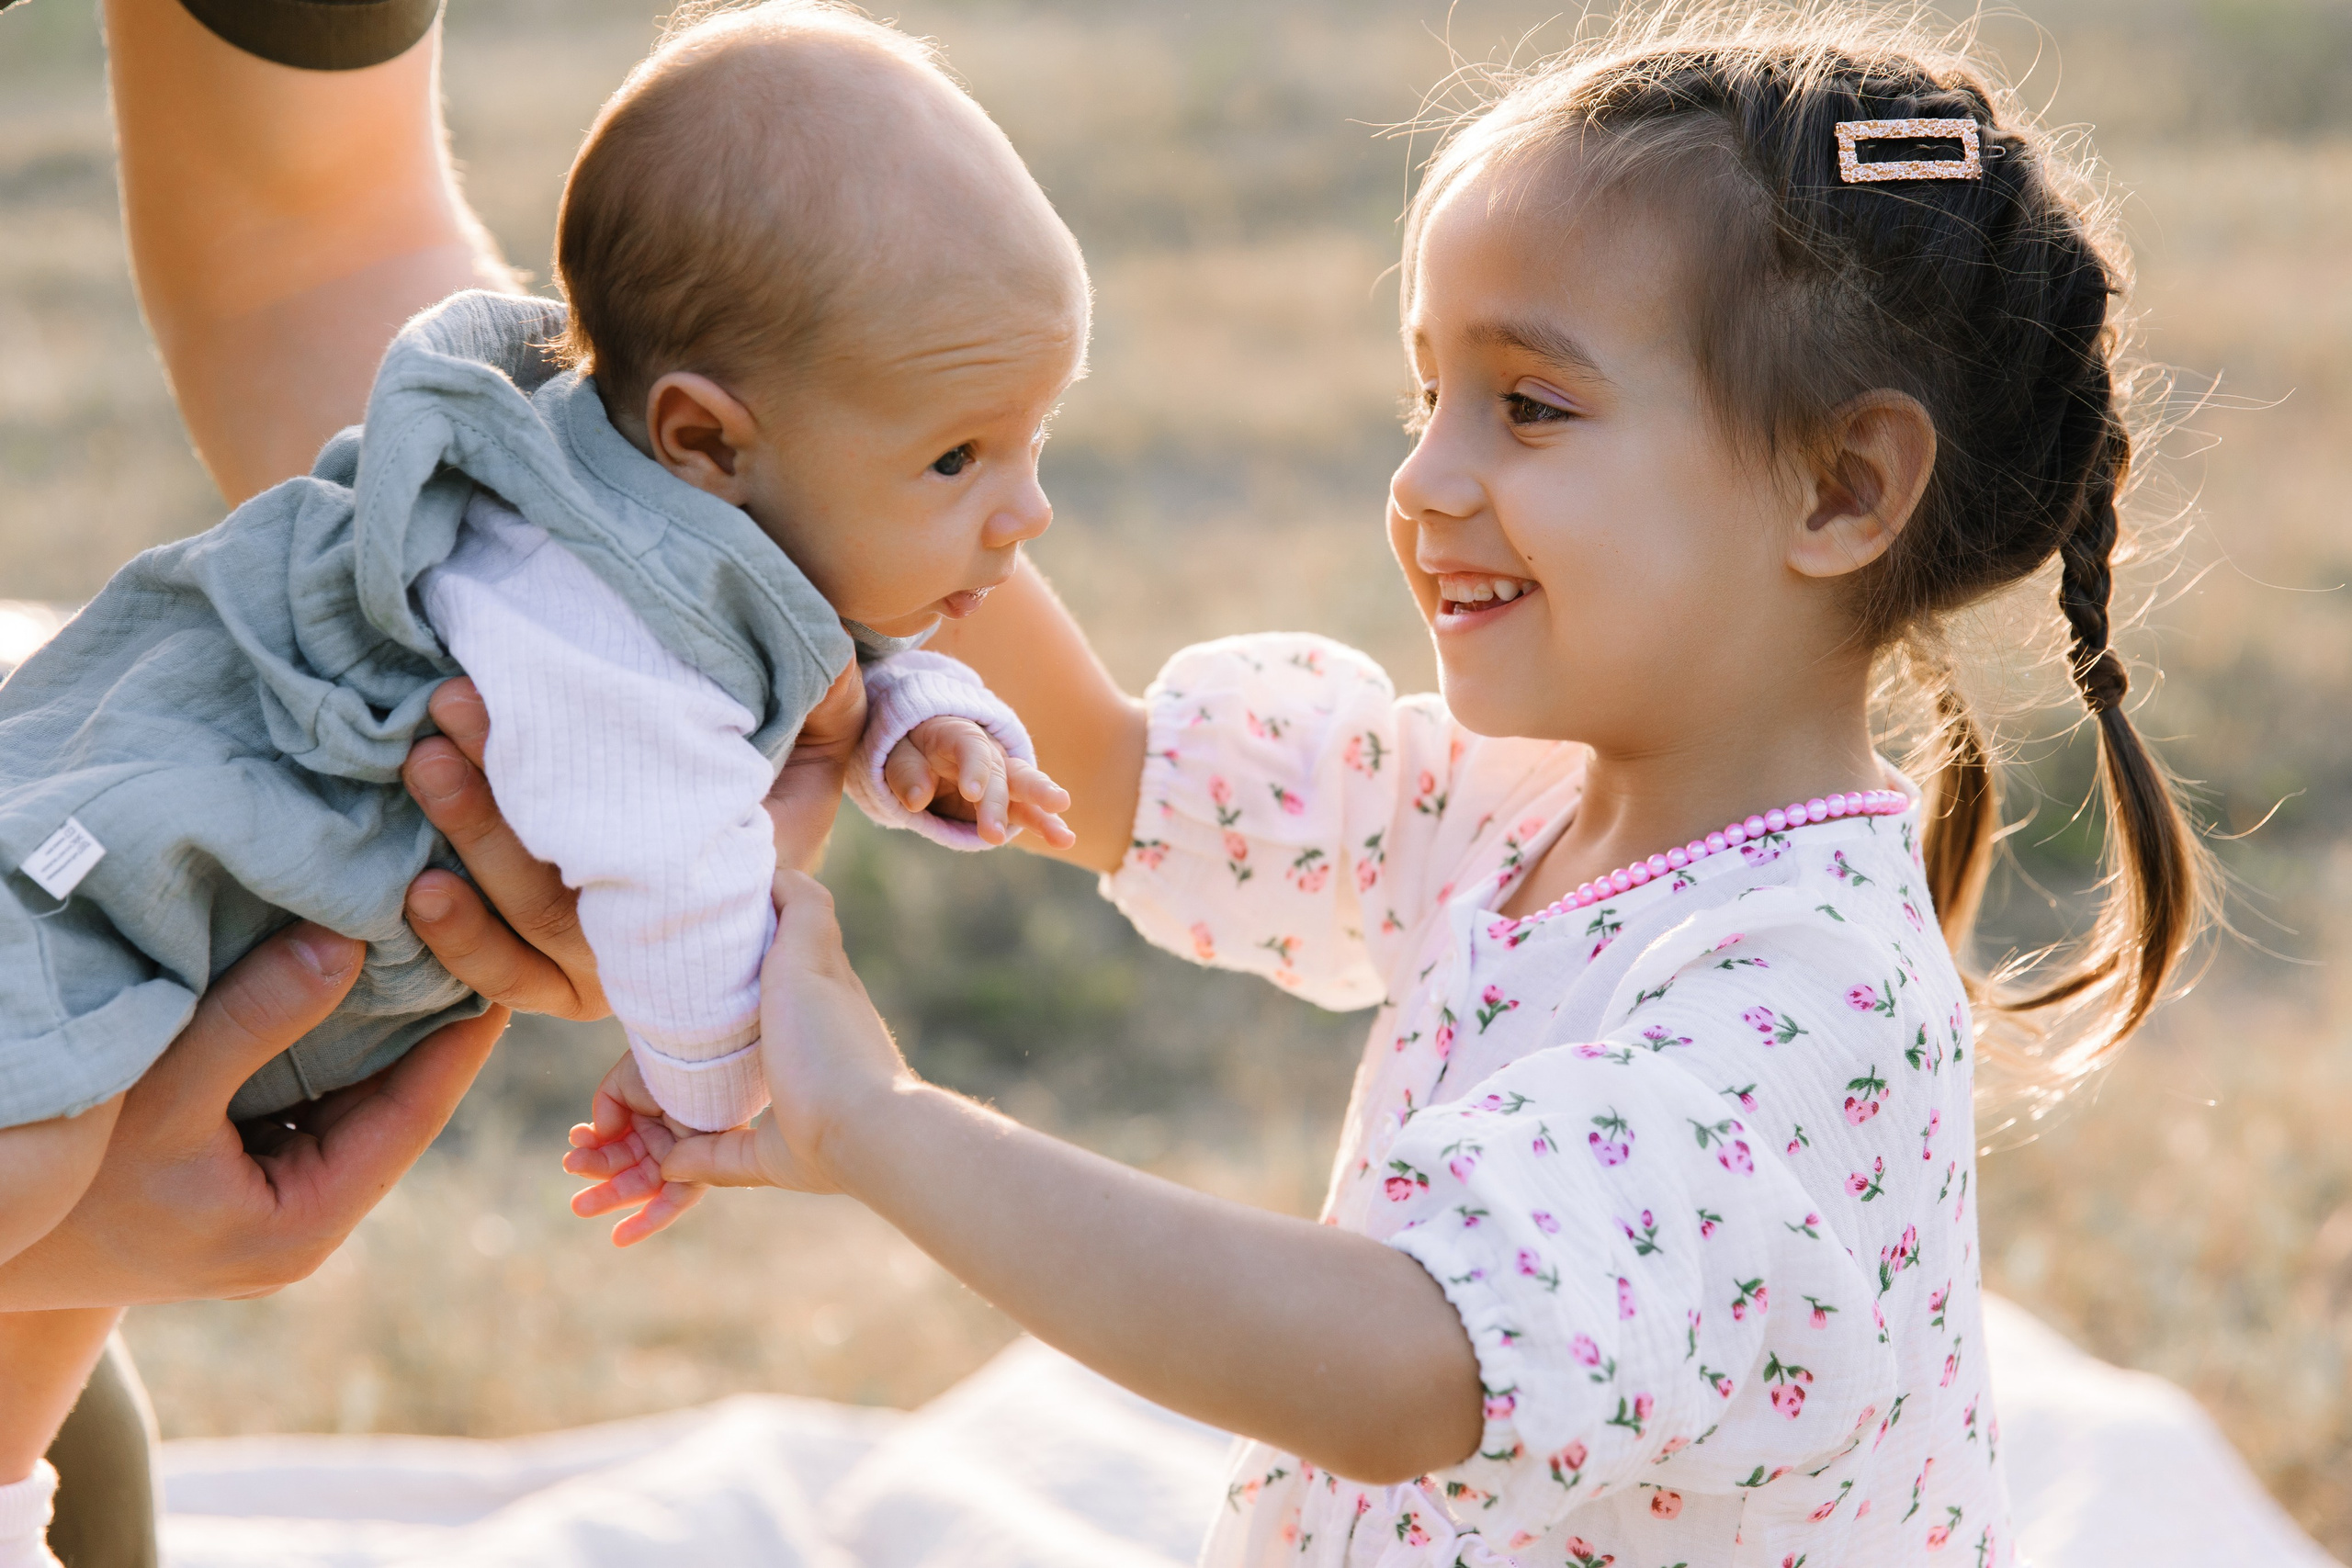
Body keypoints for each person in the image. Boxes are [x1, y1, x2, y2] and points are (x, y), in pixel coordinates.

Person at [566, 11, 2209, 1566]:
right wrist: (850, 457)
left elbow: (1401, 1363)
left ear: (1843, 491)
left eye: (1531, 406)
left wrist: (883, 1126)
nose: (1423, 481)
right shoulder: (1513, 803)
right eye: (1428, 395)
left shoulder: (1799, 1008)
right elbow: (1127, 767)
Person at [0, 5, 1090, 1560]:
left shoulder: (667, 492)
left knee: (54, 1403)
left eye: (1034, 444)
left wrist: (916, 717)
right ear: (700, 435)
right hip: (80, 884)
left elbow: (297, 225)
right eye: (961, 459)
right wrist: (709, 1086)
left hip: (134, 903)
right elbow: (668, 865)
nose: (1026, 512)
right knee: (36, 1184)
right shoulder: (594, 608)